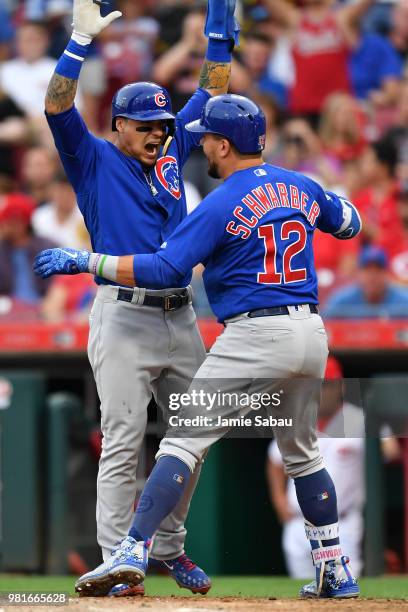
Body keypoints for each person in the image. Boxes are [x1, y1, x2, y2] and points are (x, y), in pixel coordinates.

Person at [35, 92, 362, 599]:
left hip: (255, 335)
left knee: (181, 441)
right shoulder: (301, 185)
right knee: (304, 455)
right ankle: (333, 567)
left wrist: (89, 262)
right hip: (311, 334)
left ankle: (133, 547)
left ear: (226, 145)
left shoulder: (222, 202)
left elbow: (167, 268)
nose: (199, 143)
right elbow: (349, 223)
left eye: (209, 136)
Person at [40, 0, 239, 598]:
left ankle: (168, 546)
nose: (159, 133)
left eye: (165, 125)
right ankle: (115, 560)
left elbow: (213, 87)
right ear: (120, 125)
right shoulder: (93, 156)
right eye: (147, 125)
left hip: (180, 314)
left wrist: (219, 33)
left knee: (195, 433)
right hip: (122, 312)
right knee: (123, 437)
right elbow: (57, 105)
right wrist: (77, 44)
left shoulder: (173, 153)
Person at [267, 356, 365, 579]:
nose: (321, 392)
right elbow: (274, 460)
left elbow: (389, 453)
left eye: (327, 385)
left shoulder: (358, 420)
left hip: (343, 523)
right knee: (303, 595)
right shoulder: (297, 420)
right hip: (298, 522)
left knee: (342, 590)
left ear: (341, 386)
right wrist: (280, 502)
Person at [323, 245, 408, 318]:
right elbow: (325, 328)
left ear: (387, 273)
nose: (373, 276)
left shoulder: (404, 301)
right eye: (367, 270)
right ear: (358, 273)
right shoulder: (342, 301)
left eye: (378, 270)